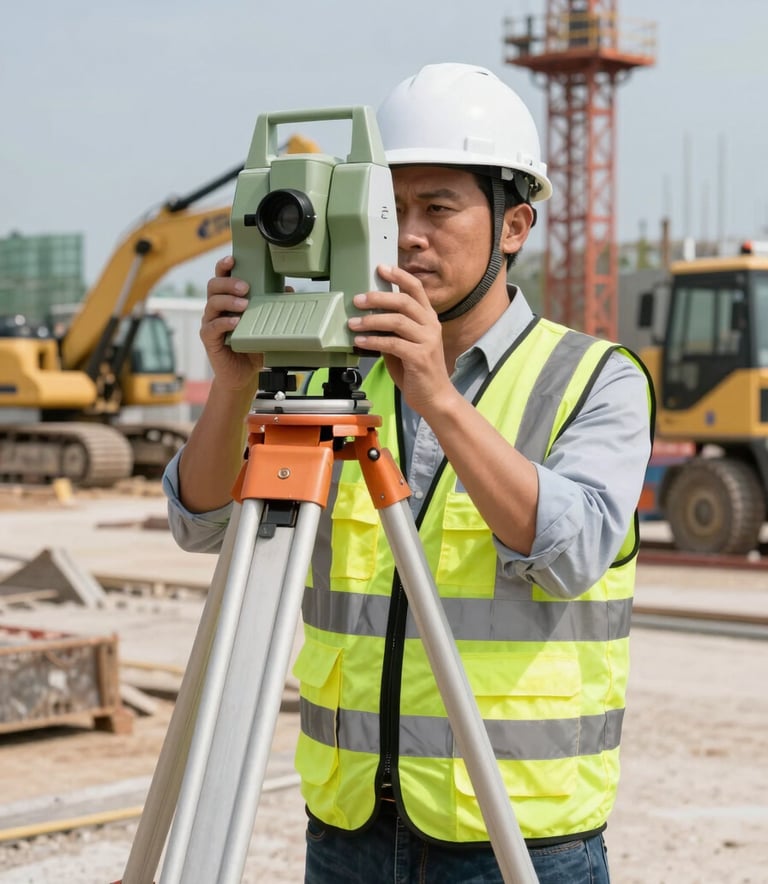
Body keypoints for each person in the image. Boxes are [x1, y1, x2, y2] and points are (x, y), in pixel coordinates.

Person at [163, 62, 654, 883]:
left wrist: (438, 394)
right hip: (349, 829)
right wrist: (232, 387)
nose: (412, 235)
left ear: (514, 225)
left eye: (439, 208)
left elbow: (570, 552)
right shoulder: (327, 379)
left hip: (517, 840)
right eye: (394, 211)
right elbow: (201, 522)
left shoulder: (595, 378)